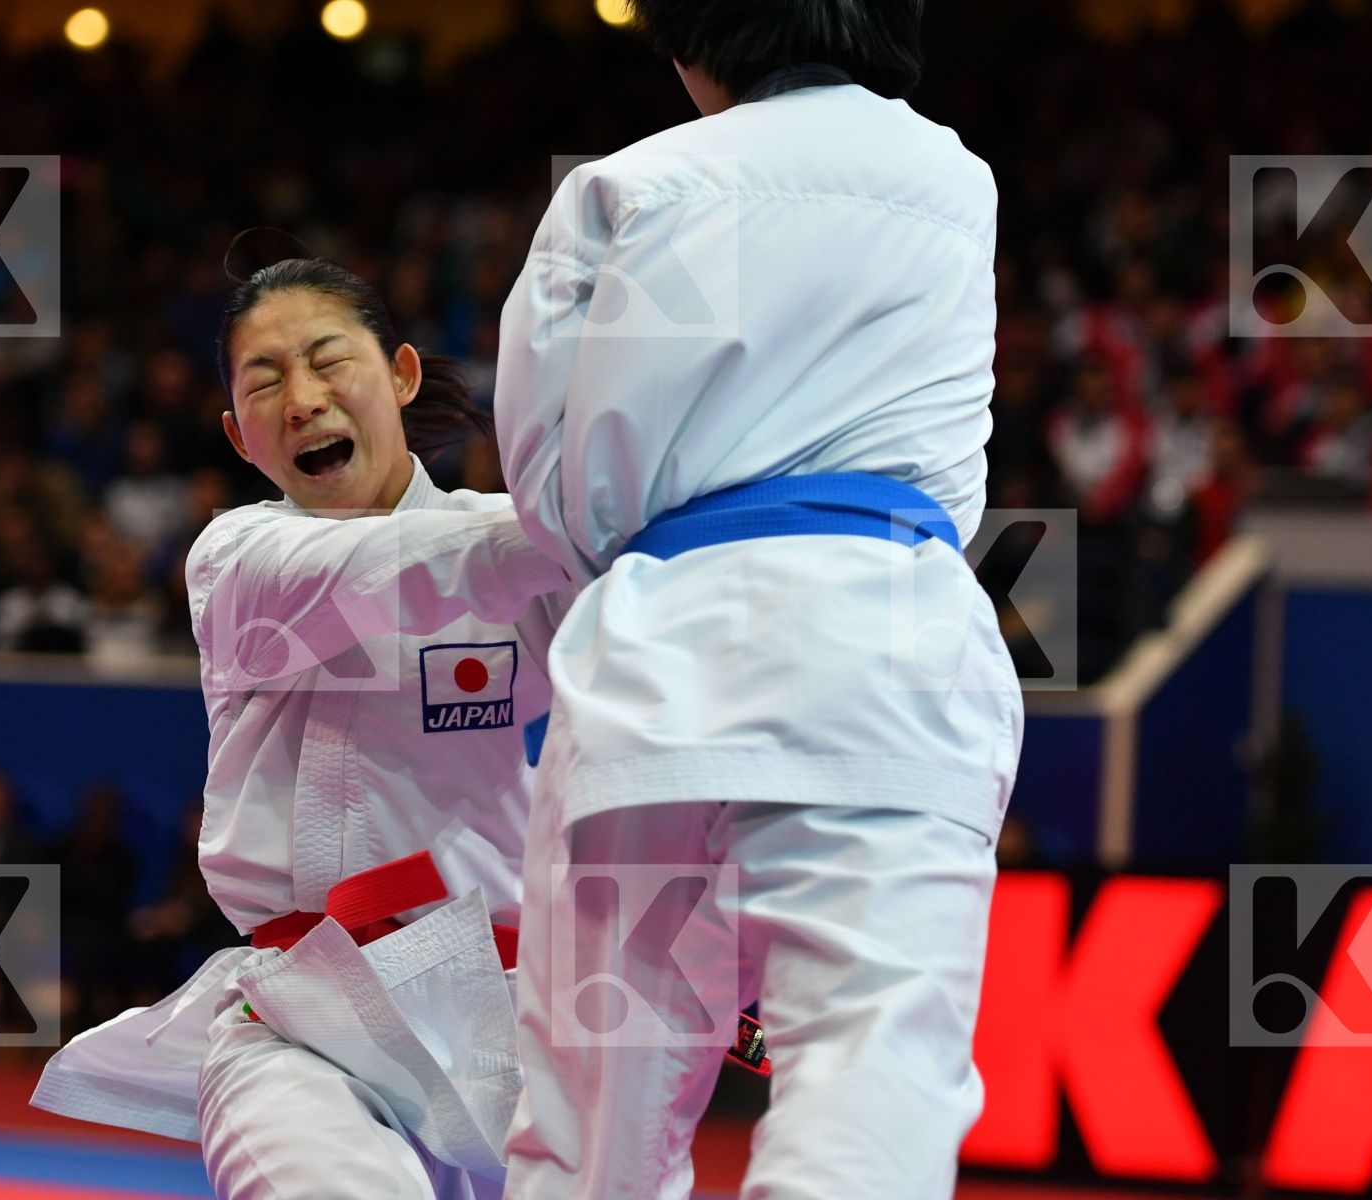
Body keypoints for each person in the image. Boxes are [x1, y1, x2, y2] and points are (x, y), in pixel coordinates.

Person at [492, 3, 1023, 1197]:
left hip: (656, 651)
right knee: (869, 1060)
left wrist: (630, 555)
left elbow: (543, 464)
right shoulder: (954, 177)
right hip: (886, 638)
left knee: (592, 1119)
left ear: (691, 40)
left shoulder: (627, 186)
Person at [34, 255, 571, 1200]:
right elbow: (396, 568)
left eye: (330, 362)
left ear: (400, 374)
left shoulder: (523, 555)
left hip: (505, 1033)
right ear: (241, 437)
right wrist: (588, 513)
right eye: (267, 382)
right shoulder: (238, 559)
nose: (305, 398)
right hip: (302, 1023)